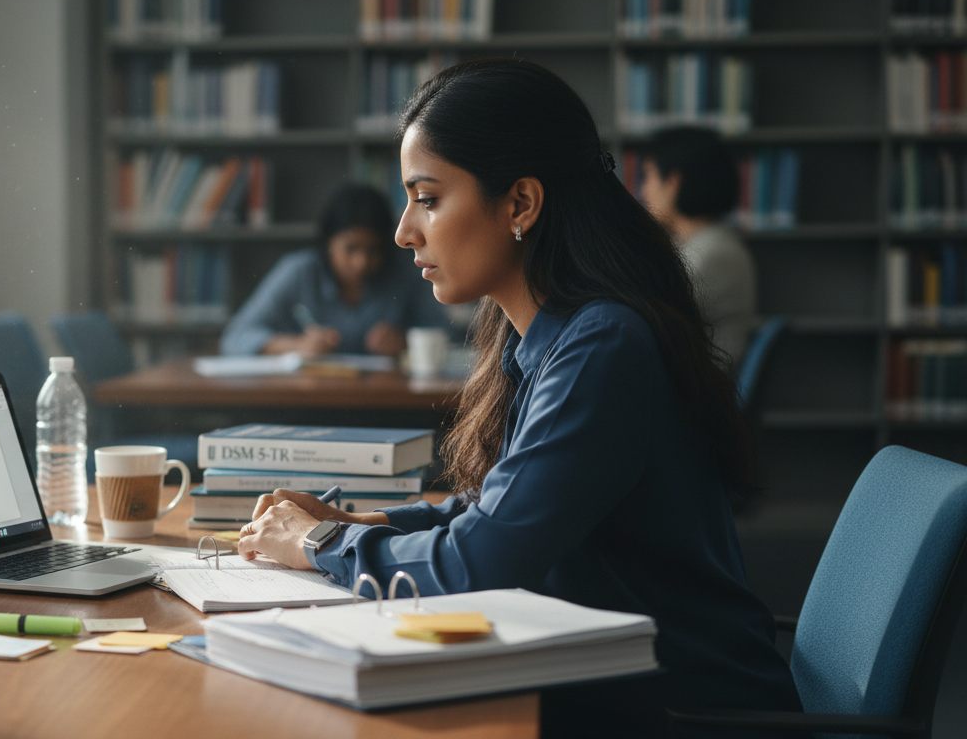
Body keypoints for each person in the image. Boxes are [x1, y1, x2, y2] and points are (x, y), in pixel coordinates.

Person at [236, 59, 801, 737]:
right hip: (602, 679)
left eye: (429, 197)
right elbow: (493, 510)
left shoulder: (603, 345)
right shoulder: (540, 332)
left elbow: (481, 560)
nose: (404, 231)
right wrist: (361, 524)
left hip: (681, 709)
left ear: (521, 204)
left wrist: (322, 541)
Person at [219, 184, 451, 357]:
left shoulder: (406, 273)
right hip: (310, 400)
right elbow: (236, 337)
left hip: (389, 401)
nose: (361, 262)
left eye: (374, 251)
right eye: (350, 249)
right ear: (328, 243)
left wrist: (407, 343)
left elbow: (453, 340)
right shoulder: (300, 271)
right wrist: (295, 345)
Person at [641, 126, 757, 369]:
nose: (643, 191)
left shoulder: (715, 253)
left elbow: (649, 318)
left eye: (649, 176)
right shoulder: (700, 244)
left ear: (673, 183)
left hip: (698, 393)